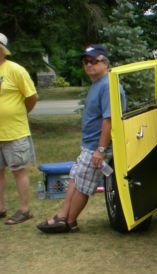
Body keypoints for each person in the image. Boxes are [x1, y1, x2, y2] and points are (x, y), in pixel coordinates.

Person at [37, 44, 124, 233]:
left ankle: (69, 222)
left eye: (94, 61)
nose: (89, 65)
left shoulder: (108, 85)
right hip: (89, 146)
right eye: (86, 61)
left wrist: (100, 151)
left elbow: (108, 121)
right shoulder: (98, 83)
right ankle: (63, 216)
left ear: (105, 63)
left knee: (83, 185)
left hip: (98, 147)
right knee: (75, 178)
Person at [0, 32, 38, 225]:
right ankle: (1, 208)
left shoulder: (15, 70)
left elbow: (32, 97)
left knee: (18, 170)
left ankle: (24, 210)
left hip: (15, 132)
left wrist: (20, 114)